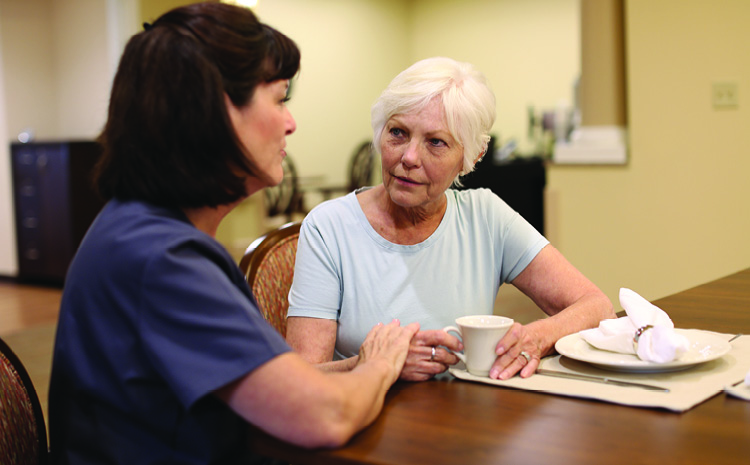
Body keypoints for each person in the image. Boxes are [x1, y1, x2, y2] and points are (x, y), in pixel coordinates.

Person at [47, 3, 418, 464]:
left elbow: (267, 382)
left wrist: (368, 362)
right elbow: (325, 416)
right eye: (280, 98)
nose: (290, 121)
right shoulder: (161, 259)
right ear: (215, 109)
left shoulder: (140, 229)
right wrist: (381, 365)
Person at [286, 57, 615, 382]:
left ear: (471, 156)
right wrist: (379, 364)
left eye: (435, 142)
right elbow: (299, 379)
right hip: (368, 419)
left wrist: (536, 337)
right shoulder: (329, 228)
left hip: (465, 418)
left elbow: (597, 307)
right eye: (397, 132)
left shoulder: (485, 216)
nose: (409, 157)